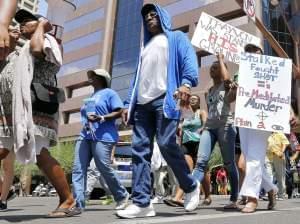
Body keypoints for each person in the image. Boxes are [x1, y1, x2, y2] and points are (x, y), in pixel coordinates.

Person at [117, 3, 200, 219]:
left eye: (154, 14)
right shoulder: (145, 46)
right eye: (146, 16)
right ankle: (142, 202)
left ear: (163, 17)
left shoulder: (176, 38)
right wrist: (128, 104)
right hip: (142, 106)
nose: (150, 18)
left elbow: (190, 61)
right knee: (139, 151)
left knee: (165, 144)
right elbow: (137, 78)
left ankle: (190, 186)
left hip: (164, 100)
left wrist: (186, 84)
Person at [13, 9, 78, 217]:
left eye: (26, 22)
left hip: (38, 106)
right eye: (19, 22)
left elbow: (37, 49)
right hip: (27, 106)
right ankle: (67, 199)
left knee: (40, 155)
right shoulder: (25, 44)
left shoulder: (48, 40)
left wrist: (42, 26)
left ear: (39, 22)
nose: (21, 25)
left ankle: (68, 199)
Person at [72, 68, 129, 211]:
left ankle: (121, 195)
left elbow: (119, 111)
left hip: (104, 136)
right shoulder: (92, 95)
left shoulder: (109, 93)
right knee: (78, 168)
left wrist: (102, 117)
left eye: (94, 75)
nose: (91, 77)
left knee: (103, 167)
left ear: (102, 78)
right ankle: (78, 202)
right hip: (85, 135)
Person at [192, 53, 239, 210]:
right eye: (211, 68)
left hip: (226, 126)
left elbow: (227, 80)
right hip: (210, 128)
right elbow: (211, 109)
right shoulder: (209, 90)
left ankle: (234, 198)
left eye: (216, 67)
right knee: (201, 162)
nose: (212, 69)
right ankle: (190, 192)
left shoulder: (228, 86)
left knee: (229, 164)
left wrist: (221, 59)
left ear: (223, 70)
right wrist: (204, 127)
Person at [235, 43, 278, 213]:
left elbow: (279, 93)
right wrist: (235, 88)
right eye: (249, 53)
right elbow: (231, 97)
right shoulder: (240, 73)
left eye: (256, 52)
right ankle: (271, 188)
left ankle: (252, 198)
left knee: (253, 156)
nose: (253, 55)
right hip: (244, 118)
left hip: (263, 118)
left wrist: (288, 112)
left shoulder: (272, 71)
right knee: (252, 156)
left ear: (262, 54)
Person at [164, 94, 208, 207]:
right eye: (191, 99)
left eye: (195, 99)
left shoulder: (201, 112)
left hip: (199, 143)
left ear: (199, 102)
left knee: (203, 170)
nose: (192, 100)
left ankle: (207, 196)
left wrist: (201, 130)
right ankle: (178, 197)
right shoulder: (185, 114)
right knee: (187, 169)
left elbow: (206, 123)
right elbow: (181, 129)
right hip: (186, 144)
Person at [0, 26, 20, 211]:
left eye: (16, 30)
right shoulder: (1, 53)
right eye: (10, 28)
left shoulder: (22, 56)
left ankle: (3, 199)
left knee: (7, 162)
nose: (14, 31)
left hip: (12, 116)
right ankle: (7, 190)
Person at [265, 132, 290, 200]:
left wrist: (282, 151)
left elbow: (285, 143)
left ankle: (281, 194)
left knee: (280, 175)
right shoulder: (265, 133)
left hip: (278, 156)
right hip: (267, 155)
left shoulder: (279, 133)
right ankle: (269, 193)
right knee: (268, 174)